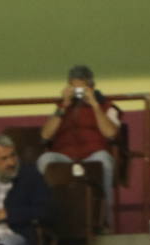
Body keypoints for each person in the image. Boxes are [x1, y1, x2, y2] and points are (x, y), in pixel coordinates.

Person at [36, 65, 121, 226]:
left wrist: (95, 105)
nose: (78, 92)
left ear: (91, 87)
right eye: (73, 87)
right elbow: (45, 135)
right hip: (64, 155)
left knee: (104, 160)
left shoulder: (107, 106)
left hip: (93, 155)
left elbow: (110, 134)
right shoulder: (61, 107)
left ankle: (106, 222)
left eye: (81, 87)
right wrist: (63, 106)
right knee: (45, 160)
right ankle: (47, 220)